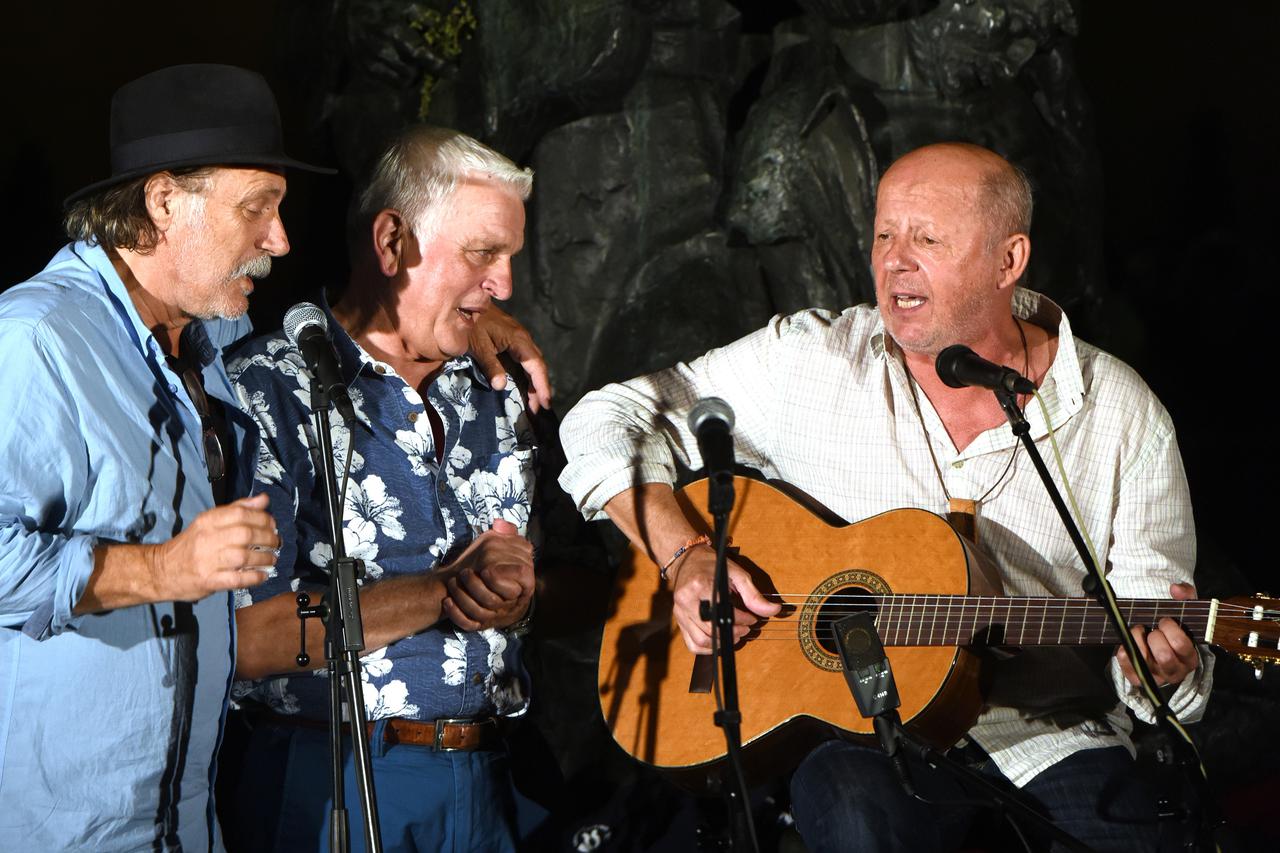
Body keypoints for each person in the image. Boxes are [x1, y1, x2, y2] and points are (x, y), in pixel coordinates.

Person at [558, 142, 1213, 851]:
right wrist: (683, 553)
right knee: (853, 812)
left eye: (928, 238)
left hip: (1054, 739)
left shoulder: (1119, 411)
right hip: (864, 736)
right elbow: (604, 418)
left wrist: (1163, 668)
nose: (895, 260)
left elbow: (1155, 629)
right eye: (883, 235)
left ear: (1009, 260)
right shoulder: (813, 360)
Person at [0, 63, 327, 850]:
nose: (279, 240)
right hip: (68, 830)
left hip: (189, 820)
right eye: (257, 209)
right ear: (163, 201)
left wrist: (470, 328)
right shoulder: (37, 339)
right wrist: (163, 570)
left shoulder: (210, 337)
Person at [225, 126, 539, 852]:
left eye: (510, 258)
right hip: (329, 773)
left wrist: (520, 594)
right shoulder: (266, 387)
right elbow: (247, 638)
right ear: (391, 241)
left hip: (488, 780)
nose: (503, 286)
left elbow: (522, 584)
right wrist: (442, 590)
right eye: (482, 253)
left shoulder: (496, 390)